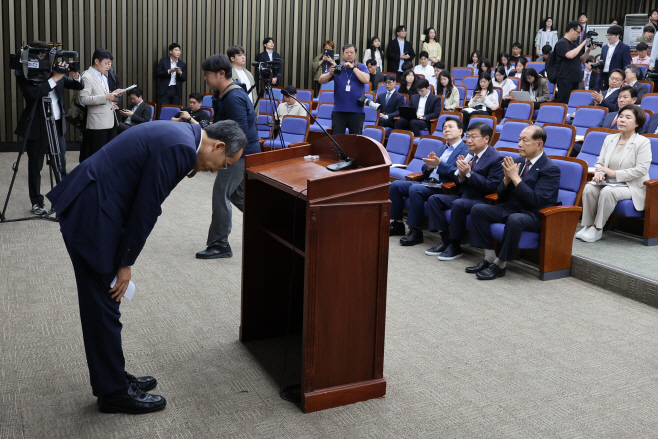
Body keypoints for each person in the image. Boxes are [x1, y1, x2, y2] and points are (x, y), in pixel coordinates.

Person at [46, 119, 246, 414]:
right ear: (217, 146)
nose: (218, 169)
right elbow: (146, 209)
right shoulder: (179, 147)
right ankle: (113, 392)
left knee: (103, 304)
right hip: (92, 212)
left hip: (95, 201)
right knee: (104, 304)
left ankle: (112, 376)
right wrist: (126, 263)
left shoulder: (183, 137)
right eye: (225, 163)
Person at [467, 125, 561, 280]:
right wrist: (506, 179)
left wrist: (516, 178)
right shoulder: (518, 161)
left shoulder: (550, 169)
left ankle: (500, 264)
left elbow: (535, 200)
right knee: (478, 209)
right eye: (519, 140)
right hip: (511, 208)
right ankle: (489, 257)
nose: (519, 144)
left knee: (515, 219)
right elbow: (501, 196)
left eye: (525, 140)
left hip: (533, 215)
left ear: (539, 144)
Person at [196, 54, 261, 259]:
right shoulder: (222, 94)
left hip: (239, 153)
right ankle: (271, 225)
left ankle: (220, 244)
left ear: (221, 74)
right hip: (239, 151)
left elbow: (238, 133)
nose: (205, 78)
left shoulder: (233, 97)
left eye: (207, 74)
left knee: (221, 193)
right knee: (237, 196)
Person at [14, 41, 84, 215]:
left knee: (60, 164)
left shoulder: (55, 72)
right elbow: (33, 94)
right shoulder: (26, 73)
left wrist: (75, 75)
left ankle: (63, 199)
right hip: (36, 127)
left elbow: (78, 85)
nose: (45, 58)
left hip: (56, 125)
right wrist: (54, 78)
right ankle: (37, 203)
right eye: (42, 55)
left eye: (47, 55)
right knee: (35, 166)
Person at [426, 122, 504, 260]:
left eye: (473, 137)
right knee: (435, 199)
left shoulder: (496, 158)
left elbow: (492, 187)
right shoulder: (469, 153)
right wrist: (461, 176)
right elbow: (458, 179)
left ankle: (455, 246)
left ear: (486, 139)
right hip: (463, 195)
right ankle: (445, 241)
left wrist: (469, 174)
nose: (469, 140)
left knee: (459, 204)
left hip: (481, 200)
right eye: (468, 136)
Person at [577, 105, 651, 243]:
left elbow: (641, 169)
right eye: (621, 116)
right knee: (589, 188)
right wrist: (599, 173)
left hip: (632, 186)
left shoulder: (642, 142)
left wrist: (613, 172)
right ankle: (587, 225)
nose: (622, 120)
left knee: (608, 192)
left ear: (637, 123)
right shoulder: (610, 139)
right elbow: (600, 162)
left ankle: (597, 228)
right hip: (610, 182)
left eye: (628, 117)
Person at [389, 118, 468, 246]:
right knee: (396, 185)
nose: (446, 130)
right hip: (427, 181)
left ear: (460, 131)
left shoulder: (465, 150)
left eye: (450, 127)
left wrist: (440, 164)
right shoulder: (441, 148)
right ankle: (398, 224)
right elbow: (425, 168)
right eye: (444, 128)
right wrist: (429, 166)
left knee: (416, 189)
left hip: (443, 186)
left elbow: (458, 173)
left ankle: (416, 231)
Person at [80, 48, 124, 161]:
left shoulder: (103, 75)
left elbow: (105, 95)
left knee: (109, 152)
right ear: (96, 61)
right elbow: (84, 99)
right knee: (97, 153)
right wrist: (105, 98)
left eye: (110, 63)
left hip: (110, 119)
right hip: (97, 122)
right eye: (106, 63)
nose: (108, 66)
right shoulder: (87, 76)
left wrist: (115, 94)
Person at [318, 44, 370, 135]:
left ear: (355, 55)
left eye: (351, 52)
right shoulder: (337, 67)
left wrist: (353, 68)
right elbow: (321, 80)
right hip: (339, 111)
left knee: (355, 141)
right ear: (343, 54)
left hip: (357, 111)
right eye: (346, 52)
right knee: (337, 141)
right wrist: (330, 74)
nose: (349, 54)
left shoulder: (361, 67)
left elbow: (366, 80)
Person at [554, 21, 595, 104]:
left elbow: (582, 60)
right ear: (572, 30)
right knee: (564, 103)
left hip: (575, 79)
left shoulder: (574, 44)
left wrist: (588, 50)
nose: (579, 35)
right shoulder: (561, 43)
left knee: (574, 104)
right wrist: (583, 43)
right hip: (565, 79)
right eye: (578, 32)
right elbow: (570, 55)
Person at [599, 25, 631, 91]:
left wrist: (623, 78)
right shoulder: (604, 48)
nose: (608, 37)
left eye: (610, 35)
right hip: (604, 75)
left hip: (617, 76)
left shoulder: (624, 47)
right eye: (607, 35)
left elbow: (626, 64)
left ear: (618, 35)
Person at [228, 45, 258, 114]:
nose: (243, 57)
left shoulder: (248, 73)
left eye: (244, 55)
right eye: (239, 55)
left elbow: (254, 93)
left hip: (251, 109)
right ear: (232, 58)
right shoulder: (228, 73)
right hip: (237, 109)